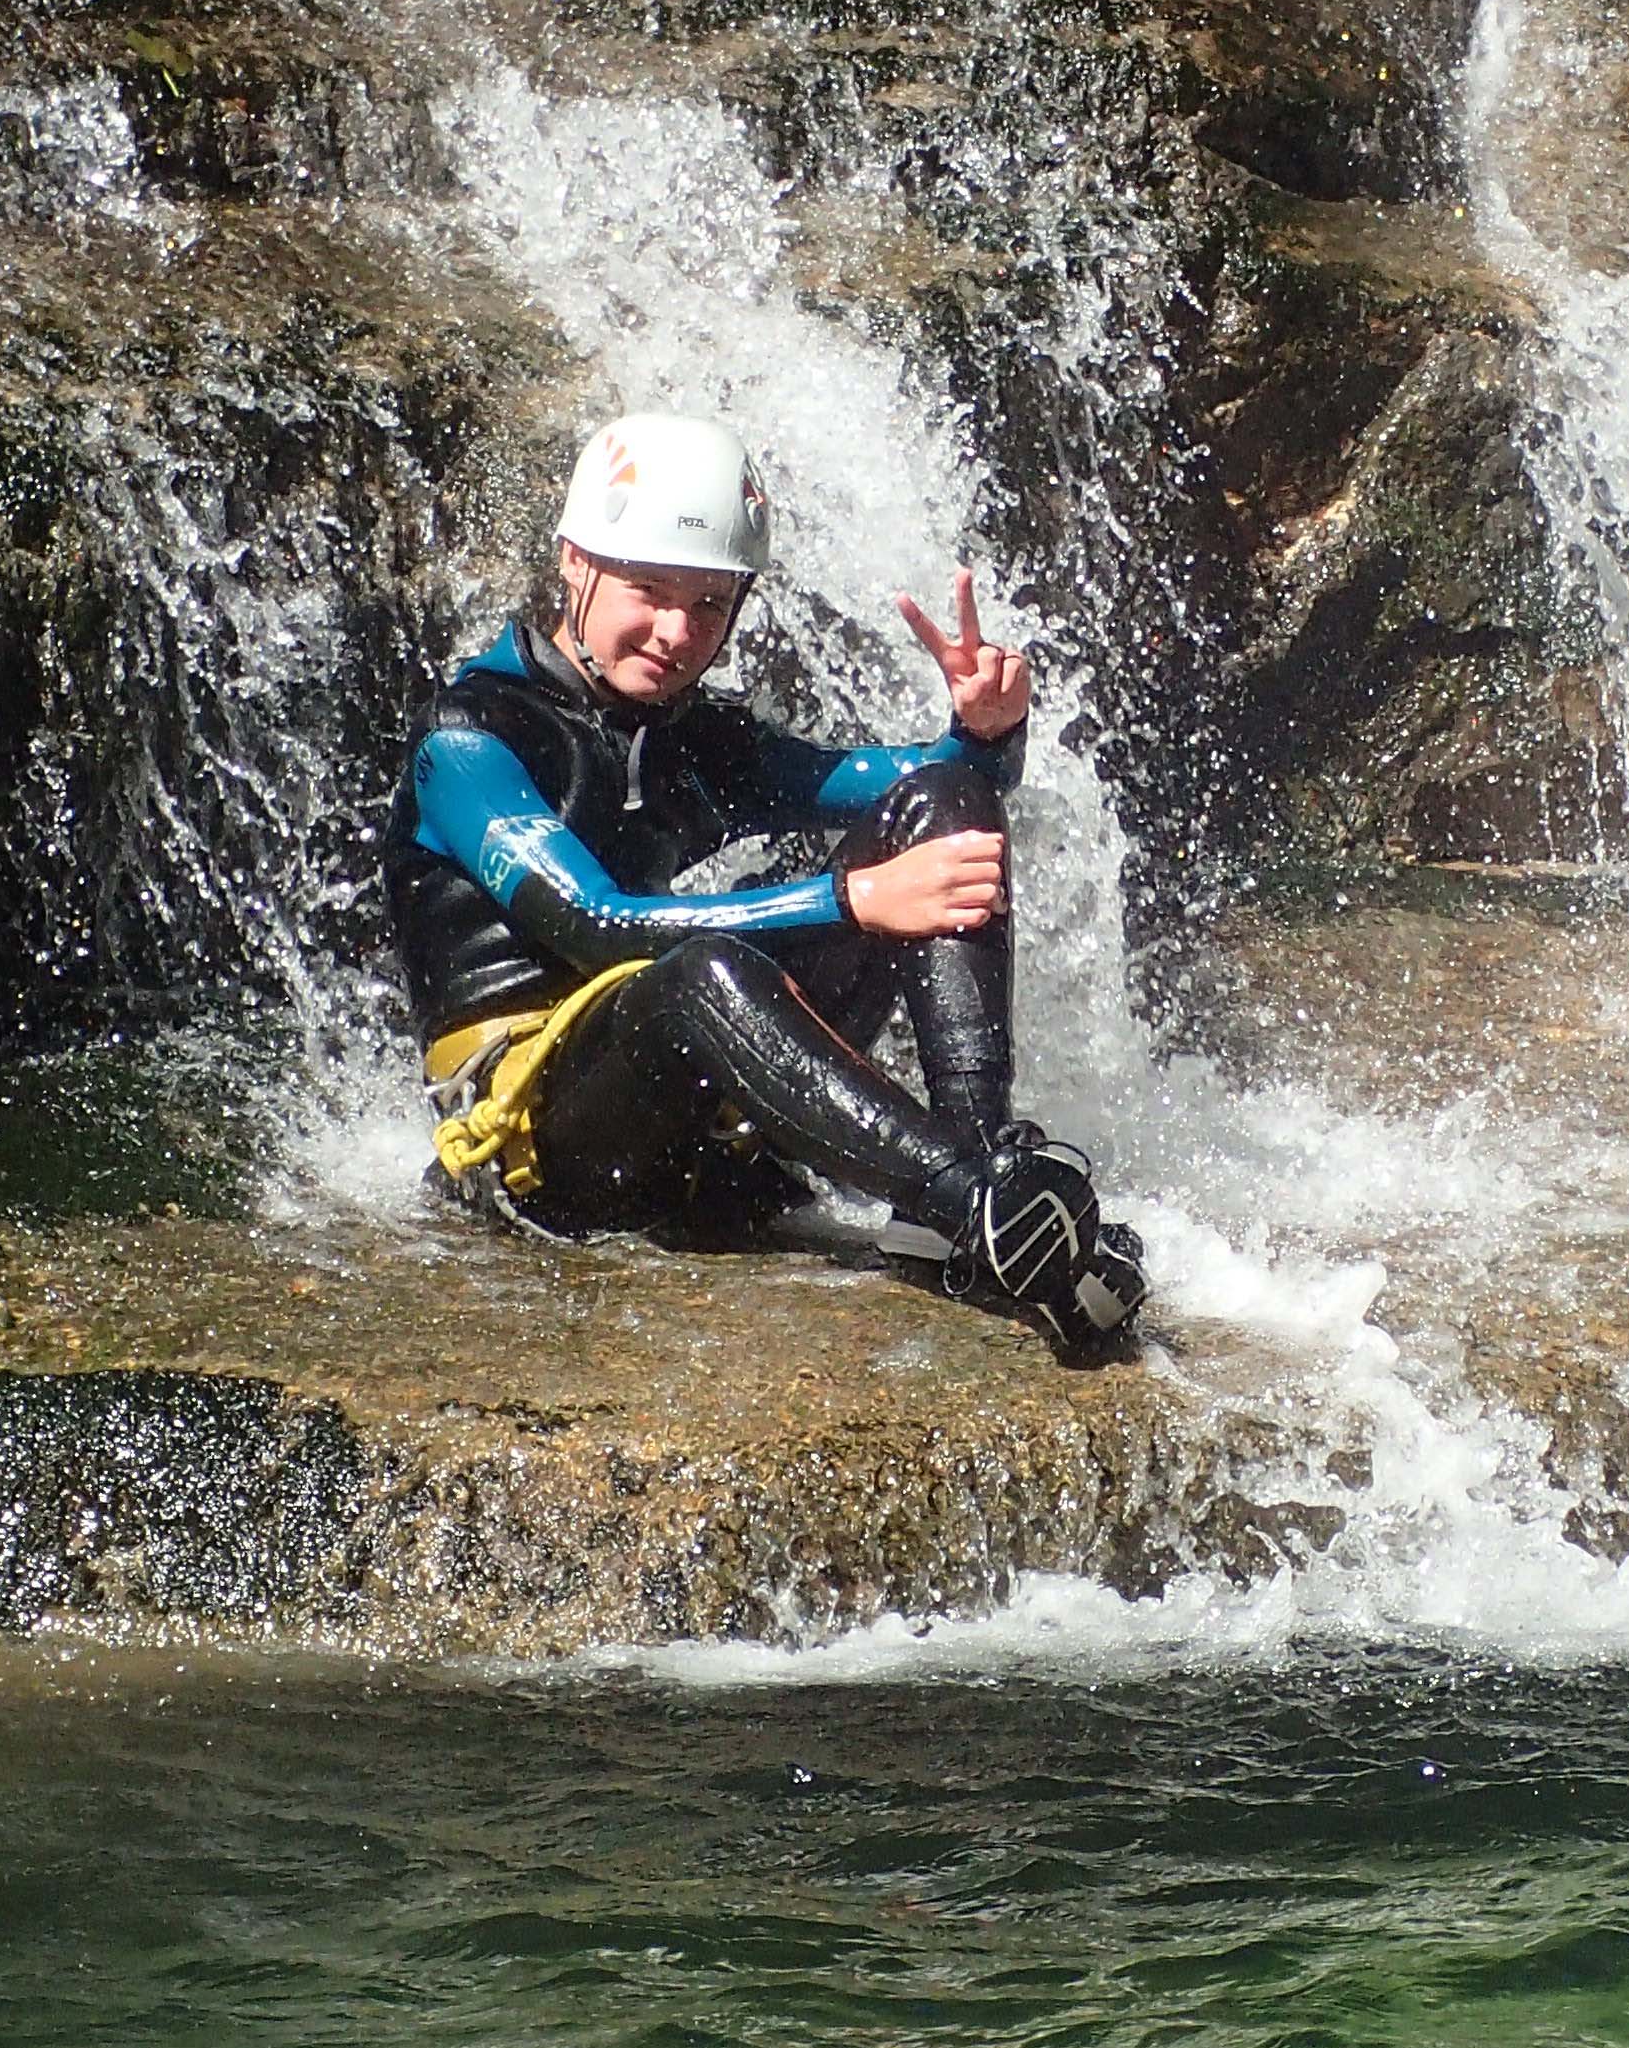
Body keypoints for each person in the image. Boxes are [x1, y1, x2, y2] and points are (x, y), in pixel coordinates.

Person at [382, 410, 1151, 1362]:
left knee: (940, 803)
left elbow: (931, 788)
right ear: (574, 563)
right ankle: (967, 1200)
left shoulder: (690, 738)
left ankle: (979, 1192)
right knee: (702, 972)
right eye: (647, 590)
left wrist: (983, 734)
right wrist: (851, 901)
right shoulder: (470, 736)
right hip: (542, 1156)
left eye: (709, 604)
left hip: (703, 1147)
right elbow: (594, 927)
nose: (675, 632)